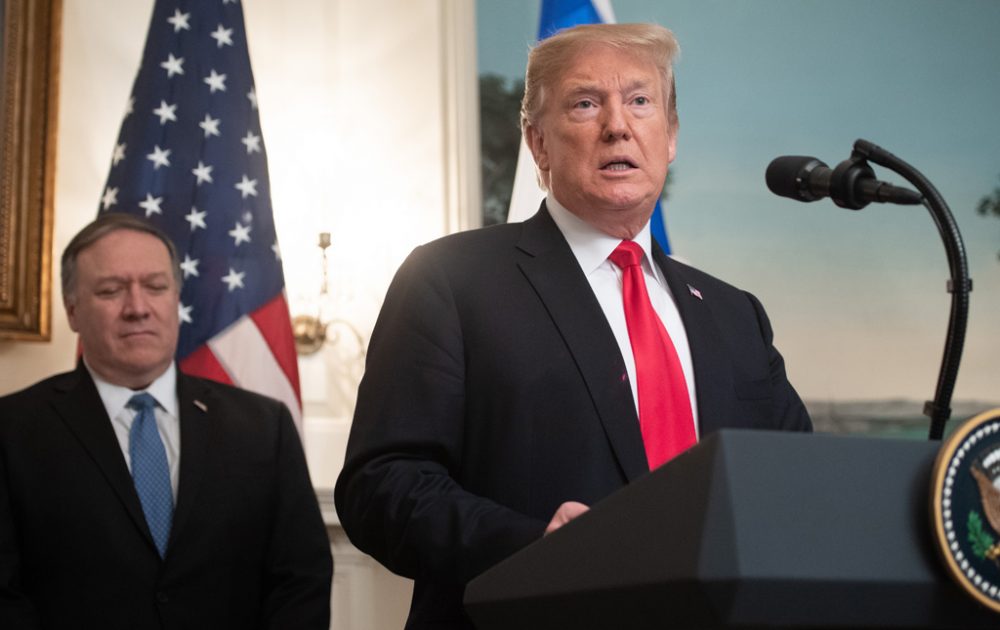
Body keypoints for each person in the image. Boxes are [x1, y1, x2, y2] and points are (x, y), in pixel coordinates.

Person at [335, 22, 811, 629]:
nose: (619, 125)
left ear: (670, 139)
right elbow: (381, 487)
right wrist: (535, 545)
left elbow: (796, 486)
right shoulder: (451, 280)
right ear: (537, 143)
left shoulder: (734, 313)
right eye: (587, 104)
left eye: (641, 102)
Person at [0, 213, 333, 629]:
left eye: (156, 287)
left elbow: (301, 580)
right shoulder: (13, 432)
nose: (137, 308)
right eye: (110, 290)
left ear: (176, 299)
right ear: (72, 310)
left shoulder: (263, 427)